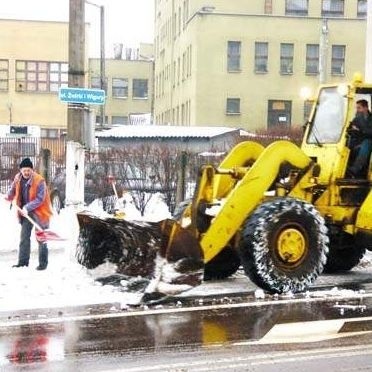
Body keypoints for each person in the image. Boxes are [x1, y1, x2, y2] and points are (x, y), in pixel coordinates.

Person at [5, 158, 52, 270]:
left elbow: (40, 199)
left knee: (41, 238)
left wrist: (26, 207)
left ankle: (43, 264)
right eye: (24, 170)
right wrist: (8, 196)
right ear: (21, 170)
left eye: (28, 170)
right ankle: (23, 262)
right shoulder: (18, 178)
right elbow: (12, 191)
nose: (26, 172)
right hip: (26, 213)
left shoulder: (40, 181)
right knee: (24, 237)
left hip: (41, 212)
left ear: (32, 170)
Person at [347, 99, 372, 178]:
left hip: (369, 141)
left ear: (366, 108)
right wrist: (351, 130)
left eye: (359, 108)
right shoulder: (356, 119)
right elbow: (352, 130)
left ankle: (355, 170)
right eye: (356, 108)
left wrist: (360, 130)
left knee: (367, 143)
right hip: (358, 141)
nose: (357, 110)